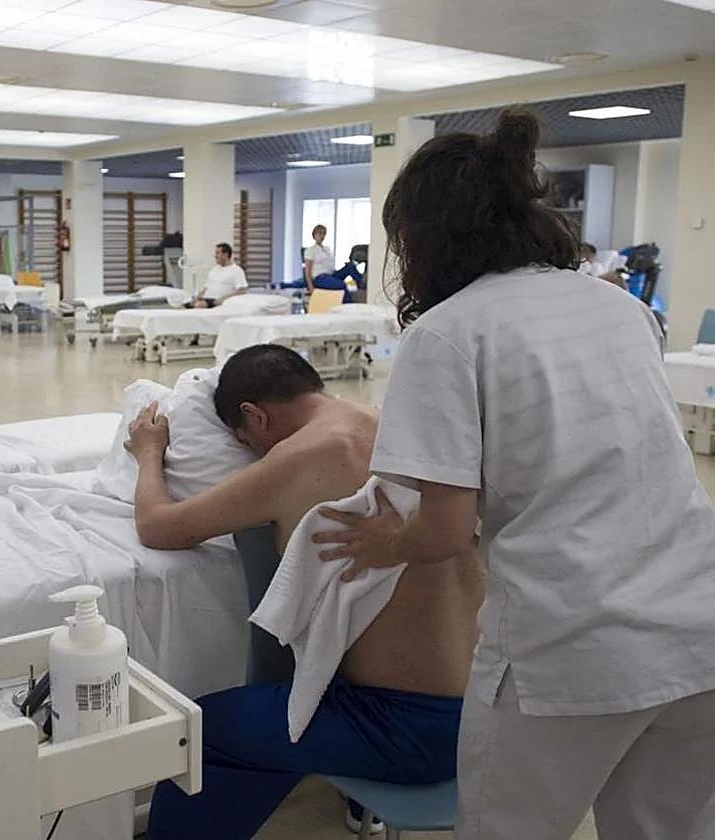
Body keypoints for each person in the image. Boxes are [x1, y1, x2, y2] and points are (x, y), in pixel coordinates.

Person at [312, 110, 715, 840]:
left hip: (572, 644)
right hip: (696, 622)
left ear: (421, 236)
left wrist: (385, 543)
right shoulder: (624, 308)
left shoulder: (448, 334)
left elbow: (444, 531)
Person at [127, 344, 483, 840]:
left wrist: (148, 453)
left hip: (413, 730)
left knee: (200, 734)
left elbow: (158, 526)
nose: (252, 452)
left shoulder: (301, 457)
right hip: (488, 707)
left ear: (255, 416)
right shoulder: (391, 427)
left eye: (244, 440)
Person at [304, 224, 363, 302]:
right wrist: (311, 289)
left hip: (332, 275)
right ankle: (348, 306)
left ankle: (362, 284)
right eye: (320, 233)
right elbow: (307, 272)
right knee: (342, 284)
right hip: (320, 278)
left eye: (324, 233)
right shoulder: (310, 251)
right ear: (314, 235)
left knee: (350, 266)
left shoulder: (327, 249)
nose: (322, 236)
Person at [184, 242, 247, 309]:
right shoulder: (214, 269)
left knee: (199, 305)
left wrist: (223, 298)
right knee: (180, 307)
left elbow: (242, 291)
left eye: (217, 253)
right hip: (205, 299)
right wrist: (196, 298)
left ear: (226, 254)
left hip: (216, 300)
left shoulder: (236, 270)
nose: (215, 255)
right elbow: (206, 288)